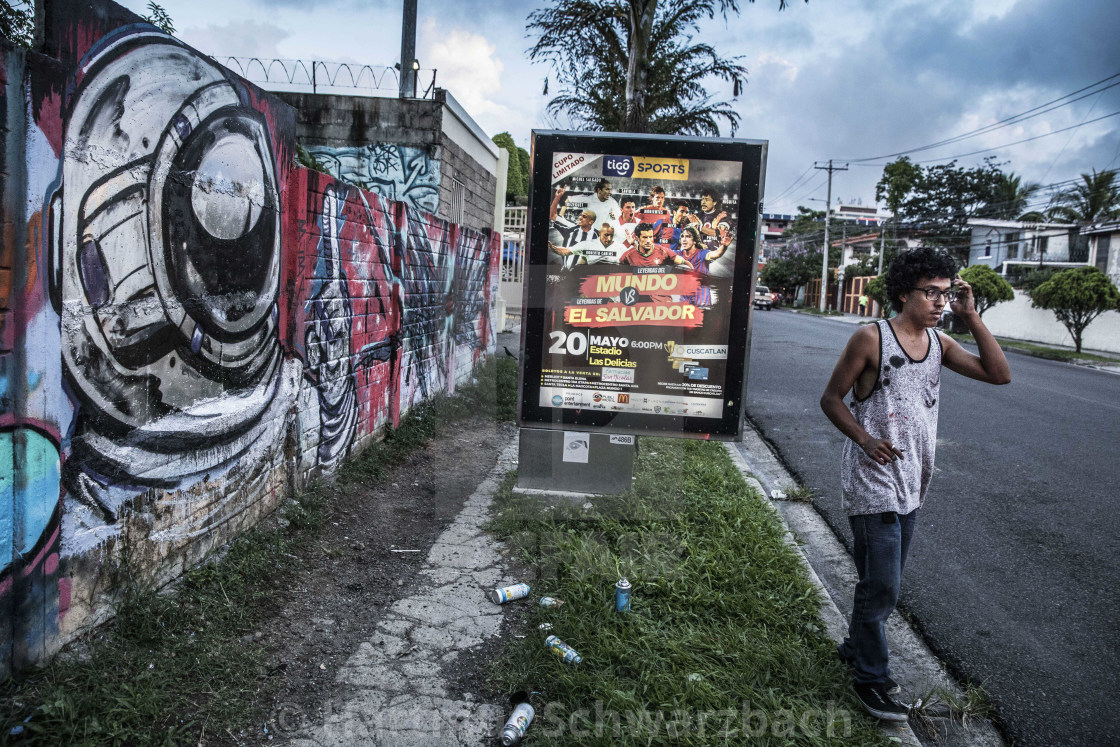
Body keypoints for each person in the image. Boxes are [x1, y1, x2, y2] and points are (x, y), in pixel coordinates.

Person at [819, 248, 1010, 722]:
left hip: (913, 482)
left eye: (946, 293)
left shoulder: (940, 344)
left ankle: (854, 646)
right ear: (904, 292)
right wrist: (864, 438)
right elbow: (830, 398)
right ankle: (871, 679)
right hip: (873, 480)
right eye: (932, 292)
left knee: (878, 580)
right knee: (883, 585)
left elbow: (999, 374)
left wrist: (973, 316)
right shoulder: (871, 338)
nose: (940, 301)